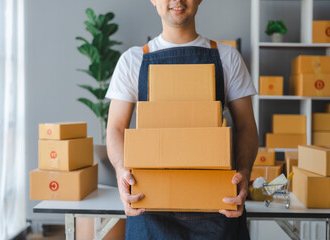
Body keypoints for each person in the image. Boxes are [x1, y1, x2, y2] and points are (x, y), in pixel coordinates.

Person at [105, 0, 259, 239]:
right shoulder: (132, 61)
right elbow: (115, 129)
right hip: (150, 210)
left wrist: (244, 174)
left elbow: (247, 127)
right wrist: (122, 172)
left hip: (217, 211)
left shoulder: (228, 58)